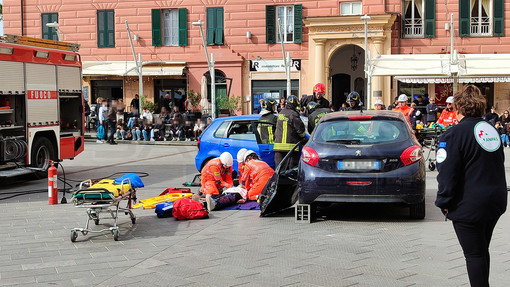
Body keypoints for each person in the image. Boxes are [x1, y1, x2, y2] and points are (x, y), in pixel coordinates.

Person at [435, 84, 507, 287]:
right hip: (495, 200)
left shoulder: (454, 134)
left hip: (469, 203)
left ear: (458, 109)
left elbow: (447, 173)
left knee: (474, 254)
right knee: (481, 251)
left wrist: (444, 201)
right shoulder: (490, 130)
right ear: (482, 108)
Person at [274, 95, 306, 167]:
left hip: (278, 148)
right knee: (290, 173)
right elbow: (301, 131)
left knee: (279, 171)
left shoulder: (281, 113)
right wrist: (303, 137)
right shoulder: (293, 114)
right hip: (290, 148)